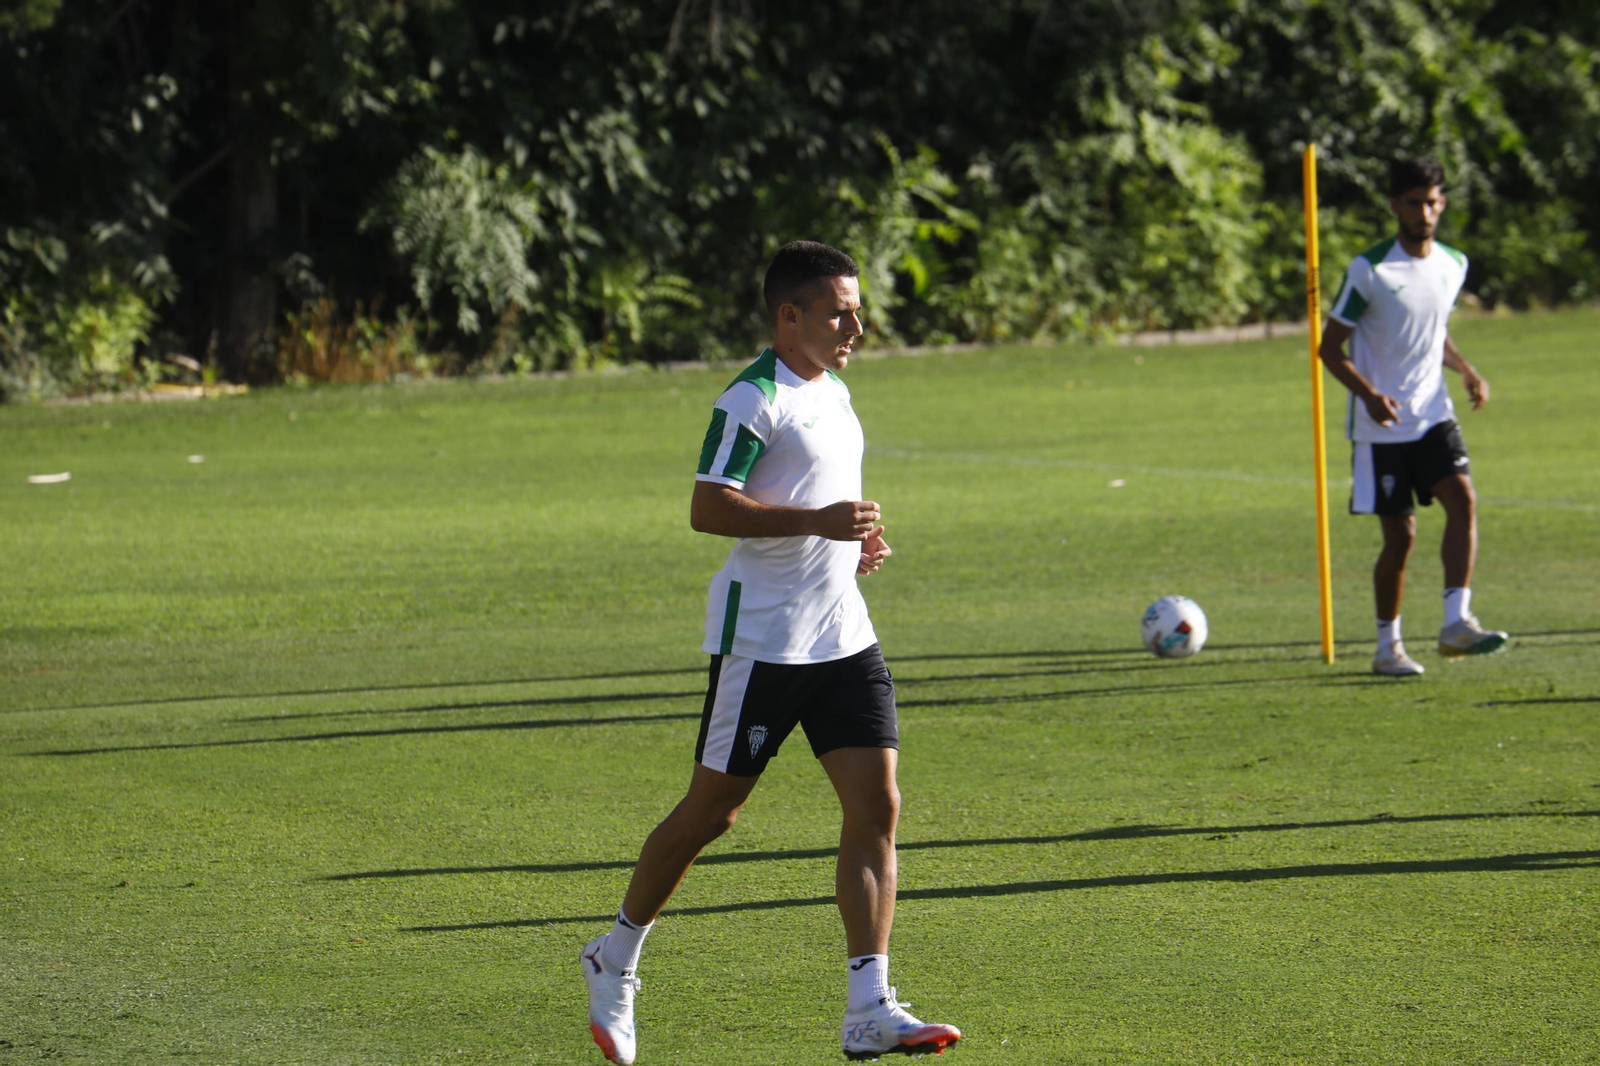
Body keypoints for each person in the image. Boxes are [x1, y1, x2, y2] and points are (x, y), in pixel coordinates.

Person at [579, 240, 961, 1064]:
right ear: (789, 316)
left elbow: (820, 497)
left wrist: (855, 542)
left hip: (843, 634)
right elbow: (708, 507)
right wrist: (816, 524)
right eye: (839, 313)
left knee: (878, 805)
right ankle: (615, 956)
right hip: (763, 640)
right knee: (712, 813)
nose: (856, 326)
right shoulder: (752, 399)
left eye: (857, 311)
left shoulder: (835, 390)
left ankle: (869, 1006)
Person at [1319, 156, 1509, 677]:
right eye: (1412, 203)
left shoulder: (1453, 264)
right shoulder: (1370, 270)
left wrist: (1465, 369)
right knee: (1401, 539)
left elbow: (1433, 331)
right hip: (1380, 428)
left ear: (1442, 203)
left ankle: (1456, 622)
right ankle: (1388, 647)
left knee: (1463, 500)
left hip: (1431, 413)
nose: (1423, 213)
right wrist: (1368, 395)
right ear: (1393, 206)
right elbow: (1330, 348)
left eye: (1431, 202)